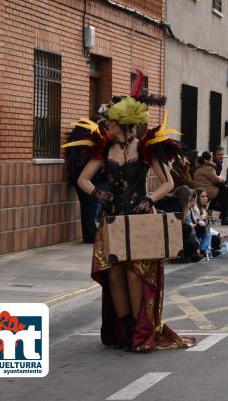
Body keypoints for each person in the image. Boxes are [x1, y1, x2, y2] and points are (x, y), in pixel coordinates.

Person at [65, 72, 194, 352]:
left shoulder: (146, 148)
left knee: (137, 274)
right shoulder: (103, 148)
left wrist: (150, 198)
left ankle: (140, 329)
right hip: (111, 219)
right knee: (114, 273)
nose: (106, 125)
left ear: (122, 124)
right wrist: (97, 193)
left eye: (110, 121)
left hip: (140, 221)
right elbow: (83, 180)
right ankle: (124, 330)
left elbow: (168, 183)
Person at [65, 122, 107, 243]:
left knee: (87, 206)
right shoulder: (86, 145)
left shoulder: (76, 144)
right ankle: (90, 235)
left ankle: (90, 234)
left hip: (78, 178)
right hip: (85, 179)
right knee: (89, 206)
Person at [193, 151, 228, 225]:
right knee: (224, 191)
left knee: (224, 189)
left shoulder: (198, 169)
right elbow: (216, 179)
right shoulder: (208, 168)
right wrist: (221, 177)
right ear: (210, 160)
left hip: (199, 190)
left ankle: (227, 212)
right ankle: (225, 216)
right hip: (207, 191)